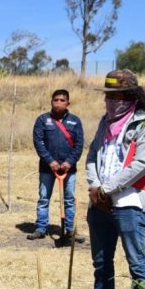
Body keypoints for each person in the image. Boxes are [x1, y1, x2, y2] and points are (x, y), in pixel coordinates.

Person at [85, 69, 145, 289]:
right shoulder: (104, 122)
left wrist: (108, 189)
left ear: (130, 96)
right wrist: (95, 186)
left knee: (136, 262)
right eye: (108, 96)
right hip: (100, 204)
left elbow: (142, 164)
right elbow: (93, 155)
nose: (110, 101)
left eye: (116, 96)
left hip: (129, 203)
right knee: (101, 261)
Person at [28, 89, 85, 242]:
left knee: (69, 199)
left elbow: (79, 145)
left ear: (68, 103)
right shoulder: (42, 120)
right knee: (44, 198)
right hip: (47, 168)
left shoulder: (75, 121)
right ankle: (40, 228)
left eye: (62, 100)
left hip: (69, 170)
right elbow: (38, 142)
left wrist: (69, 162)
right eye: (56, 100)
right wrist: (50, 161)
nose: (58, 102)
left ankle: (69, 229)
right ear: (51, 101)